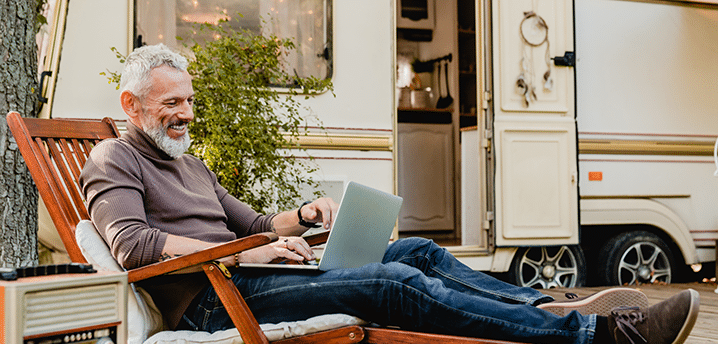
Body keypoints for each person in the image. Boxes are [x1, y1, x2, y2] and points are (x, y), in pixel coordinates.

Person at [80, 44, 700, 344]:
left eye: (189, 100)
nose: (186, 114)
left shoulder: (189, 163)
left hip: (250, 276)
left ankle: (545, 309)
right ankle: (598, 338)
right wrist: (246, 255)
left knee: (417, 254)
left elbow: (257, 220)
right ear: (131, 105)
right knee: (391, 285)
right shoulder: (114, 158)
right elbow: (134, 247)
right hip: (216, 299)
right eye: (172, 104)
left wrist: (301, 217)